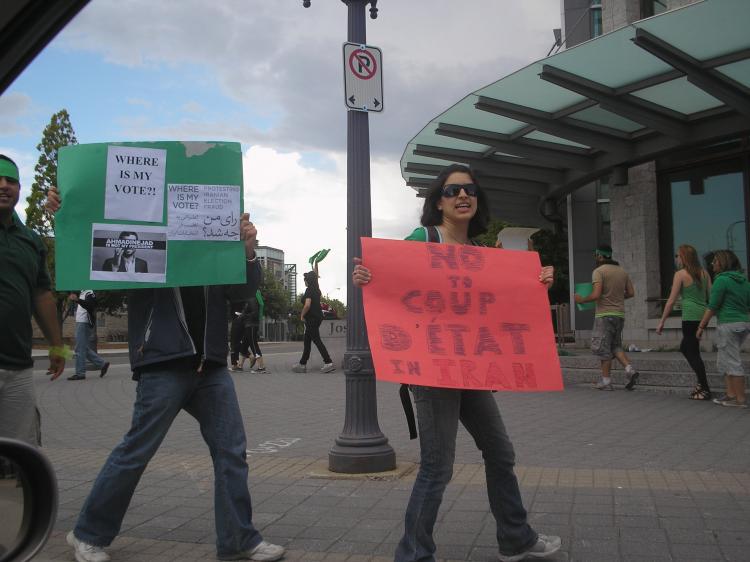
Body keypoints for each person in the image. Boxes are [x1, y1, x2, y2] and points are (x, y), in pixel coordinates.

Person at [46, 187, 284, 562]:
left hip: (211, 365)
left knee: (231, 452)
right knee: (136, 451)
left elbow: (241, 294)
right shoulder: (145, 237)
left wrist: (247, 250)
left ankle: (238, 539)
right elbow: (95, 259)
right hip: (162, 360)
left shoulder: (215, 241)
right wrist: (68, 214)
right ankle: (87, 533)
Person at [352, 164, 560, 562]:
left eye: (469, 190)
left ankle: (515, 538)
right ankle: (413, 554)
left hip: (472, 371)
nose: (462, 196)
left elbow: (504, 303)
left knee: (500, 453)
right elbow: (386, 275)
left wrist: (538, 282)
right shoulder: (423, 238)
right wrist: (366, 276)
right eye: (452, 191)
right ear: (438, 201)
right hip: (432, 373)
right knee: (437, 467)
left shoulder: (483, 255)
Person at [0, 154, 65, 446]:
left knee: (21, 458)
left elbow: (42, 295)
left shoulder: (31, 240)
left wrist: (57, 346)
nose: (4, 186)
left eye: (10, 180)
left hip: (18, 367)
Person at [575, 245, 639, 391]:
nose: (595, 259)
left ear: (599, 256)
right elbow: (631, 293)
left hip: (604, 316)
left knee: (603, 348)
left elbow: (596, 295)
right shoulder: (622, 271)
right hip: (619, 315)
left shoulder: (598, 272)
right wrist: (615, 297)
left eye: (595, 256)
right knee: (615, 345)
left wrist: (582, 299)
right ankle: (630, 369)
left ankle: (606, 381)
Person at [656, 245, 712, 399]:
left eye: (677, 256)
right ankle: (702, 385)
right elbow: (711, 296)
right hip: (702, 316)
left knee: (692, 351)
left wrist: (662, 321)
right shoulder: (705, 273)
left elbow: (671, 300)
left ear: (684, 257)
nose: (676, 259)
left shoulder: (680, 274)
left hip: (690, 316)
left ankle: (704, 387)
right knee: (687, 347)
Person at [696, 250, 750, 408]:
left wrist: (701, 327)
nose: (712, 264)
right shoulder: (744, 282)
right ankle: (730, 395)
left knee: (732, 361)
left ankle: (740, 399)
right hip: (742, 323)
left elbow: (712, 306)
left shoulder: (721, 280)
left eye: (715, 261)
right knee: (724, 360)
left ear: (723, 262)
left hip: (728, 324)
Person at [291, 271, 335, 373]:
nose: (304, 282)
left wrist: (302, 315)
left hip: (311, 319)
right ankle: (302, 364)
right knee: (307, 342)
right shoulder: (317, 290)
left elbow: (307, 305)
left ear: (308, 280)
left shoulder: (309, 290)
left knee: (317, 341)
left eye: (305, 280)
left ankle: (328, 362)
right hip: (317, 318)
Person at [67, 290, 110, 381]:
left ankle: (80, 373)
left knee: (79, 348)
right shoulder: (83, 292)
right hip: (80, 322)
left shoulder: (89, 293)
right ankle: (102, 364)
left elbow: (91, 306)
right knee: (82, 348)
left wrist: (77, 300)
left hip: (84, 323)